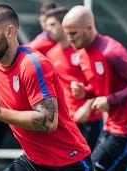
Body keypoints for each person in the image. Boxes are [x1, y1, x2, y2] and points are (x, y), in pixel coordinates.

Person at [0, 4, 93, 171]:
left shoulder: (33, 65)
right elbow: (6, 90)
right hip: (33, 162)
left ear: (10, 32)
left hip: (68, 165)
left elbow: (48, 121)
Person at [62, 5, 127, 171]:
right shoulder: (83, 53)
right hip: (111, 126)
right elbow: (101, 87)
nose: (69, 39)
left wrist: (110, 100)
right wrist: (85, 92)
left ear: (88, 28)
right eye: (67, 34)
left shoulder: (111, 51)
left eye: (73, 33)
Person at [44, 7, 103, 151]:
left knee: (90, 163)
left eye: (52, 24)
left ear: (64, 25)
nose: (48, 29)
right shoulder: (51, 54)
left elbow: (98, 83)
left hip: (90, 117)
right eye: (46, 25)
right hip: (68, 120)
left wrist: (87, 107)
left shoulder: (82, 50)